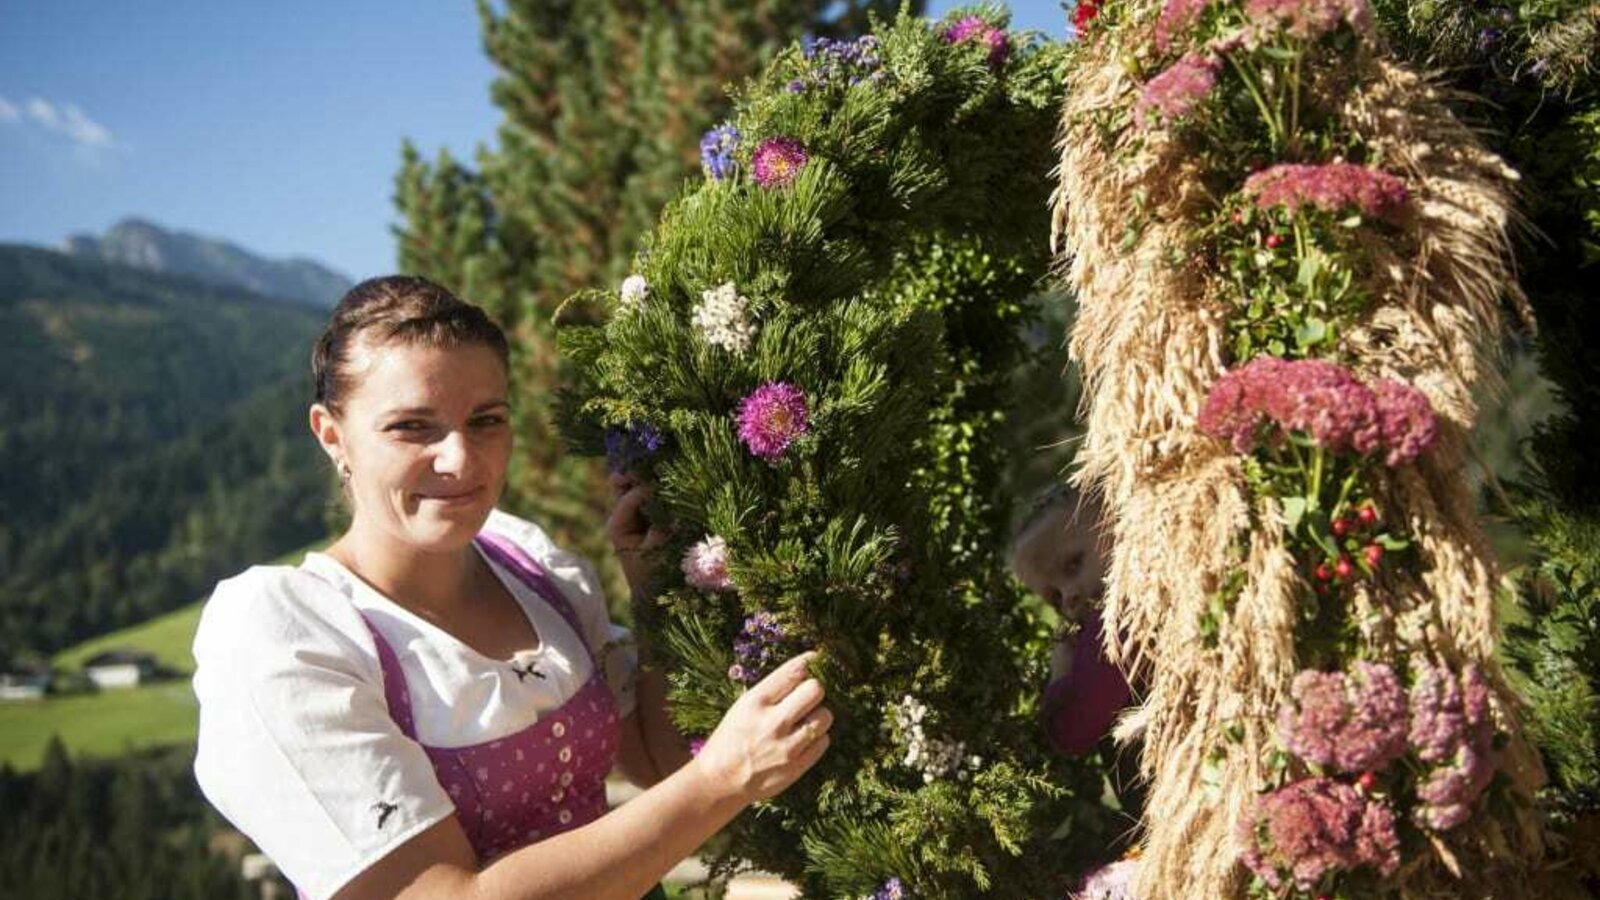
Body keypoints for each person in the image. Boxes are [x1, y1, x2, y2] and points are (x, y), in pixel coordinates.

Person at [192, 276, 832, 900]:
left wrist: (653, 597)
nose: (460, 460)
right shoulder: (294, 641)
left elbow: (655, 763)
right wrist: (722, 780)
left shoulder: (537, 574)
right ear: (332, 435)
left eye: (486, 420)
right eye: (412, 427)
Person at [1009, 485, 1132, 757]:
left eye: (1073, 564)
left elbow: (1072, 729)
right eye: (1054, 597)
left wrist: (1061, 675)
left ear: (1117, 524)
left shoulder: (1118, 618)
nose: (1069, 596)